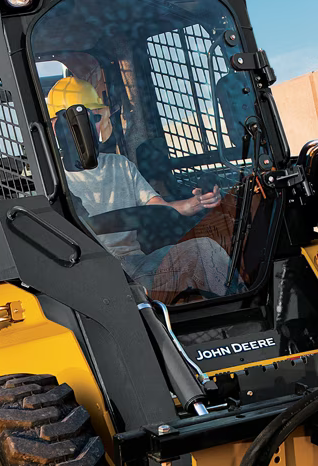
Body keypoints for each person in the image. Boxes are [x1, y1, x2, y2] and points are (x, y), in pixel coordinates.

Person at [46, 77, 232, 300]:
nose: (91, 126)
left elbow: (156, 207)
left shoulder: (119, 164)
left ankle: (238, 321)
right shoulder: (51, 179)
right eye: (80, 120)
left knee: (204, 251)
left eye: (95, 118)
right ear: (57, 127)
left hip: (135, 263)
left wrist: (193, 203)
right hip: (91, 273)